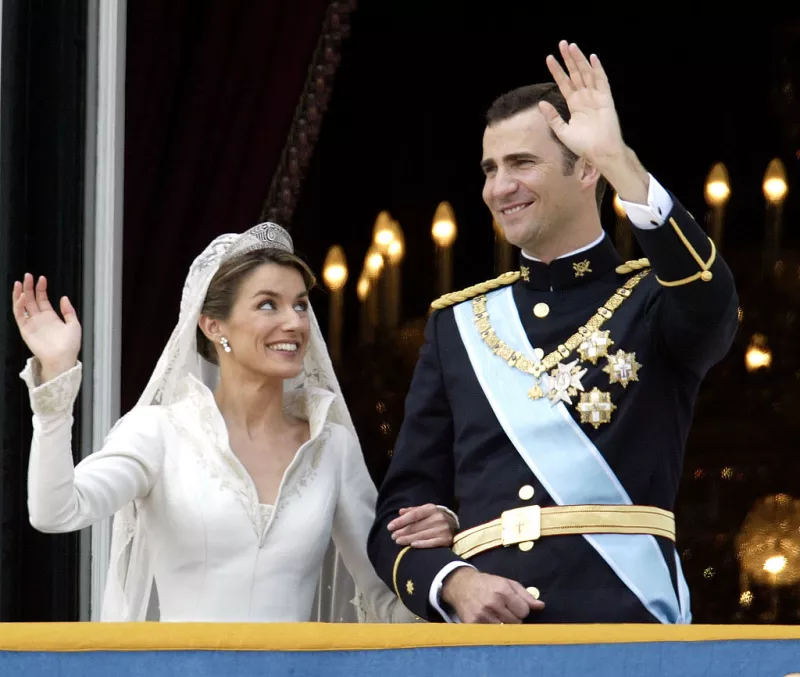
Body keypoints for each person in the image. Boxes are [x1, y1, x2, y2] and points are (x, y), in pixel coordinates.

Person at [367, 41, 738, 624]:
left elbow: (710, 301)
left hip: (625, 626)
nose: (498, 187)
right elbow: (399, 517)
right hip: (489, 642)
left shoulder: (653, 298)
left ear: (586, 168)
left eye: (521, 163)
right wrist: (454, 581)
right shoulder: (457, 325)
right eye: (490, 169)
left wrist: (623, 163)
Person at [13, 222, 456, 622]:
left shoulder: (330, 444)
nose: (294, 322)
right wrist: (55, 381)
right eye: (268, 305)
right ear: (212, 326)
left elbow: (382, 595)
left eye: (301, 306)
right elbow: (56, 512)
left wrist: (458, 591)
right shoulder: (158, 432)